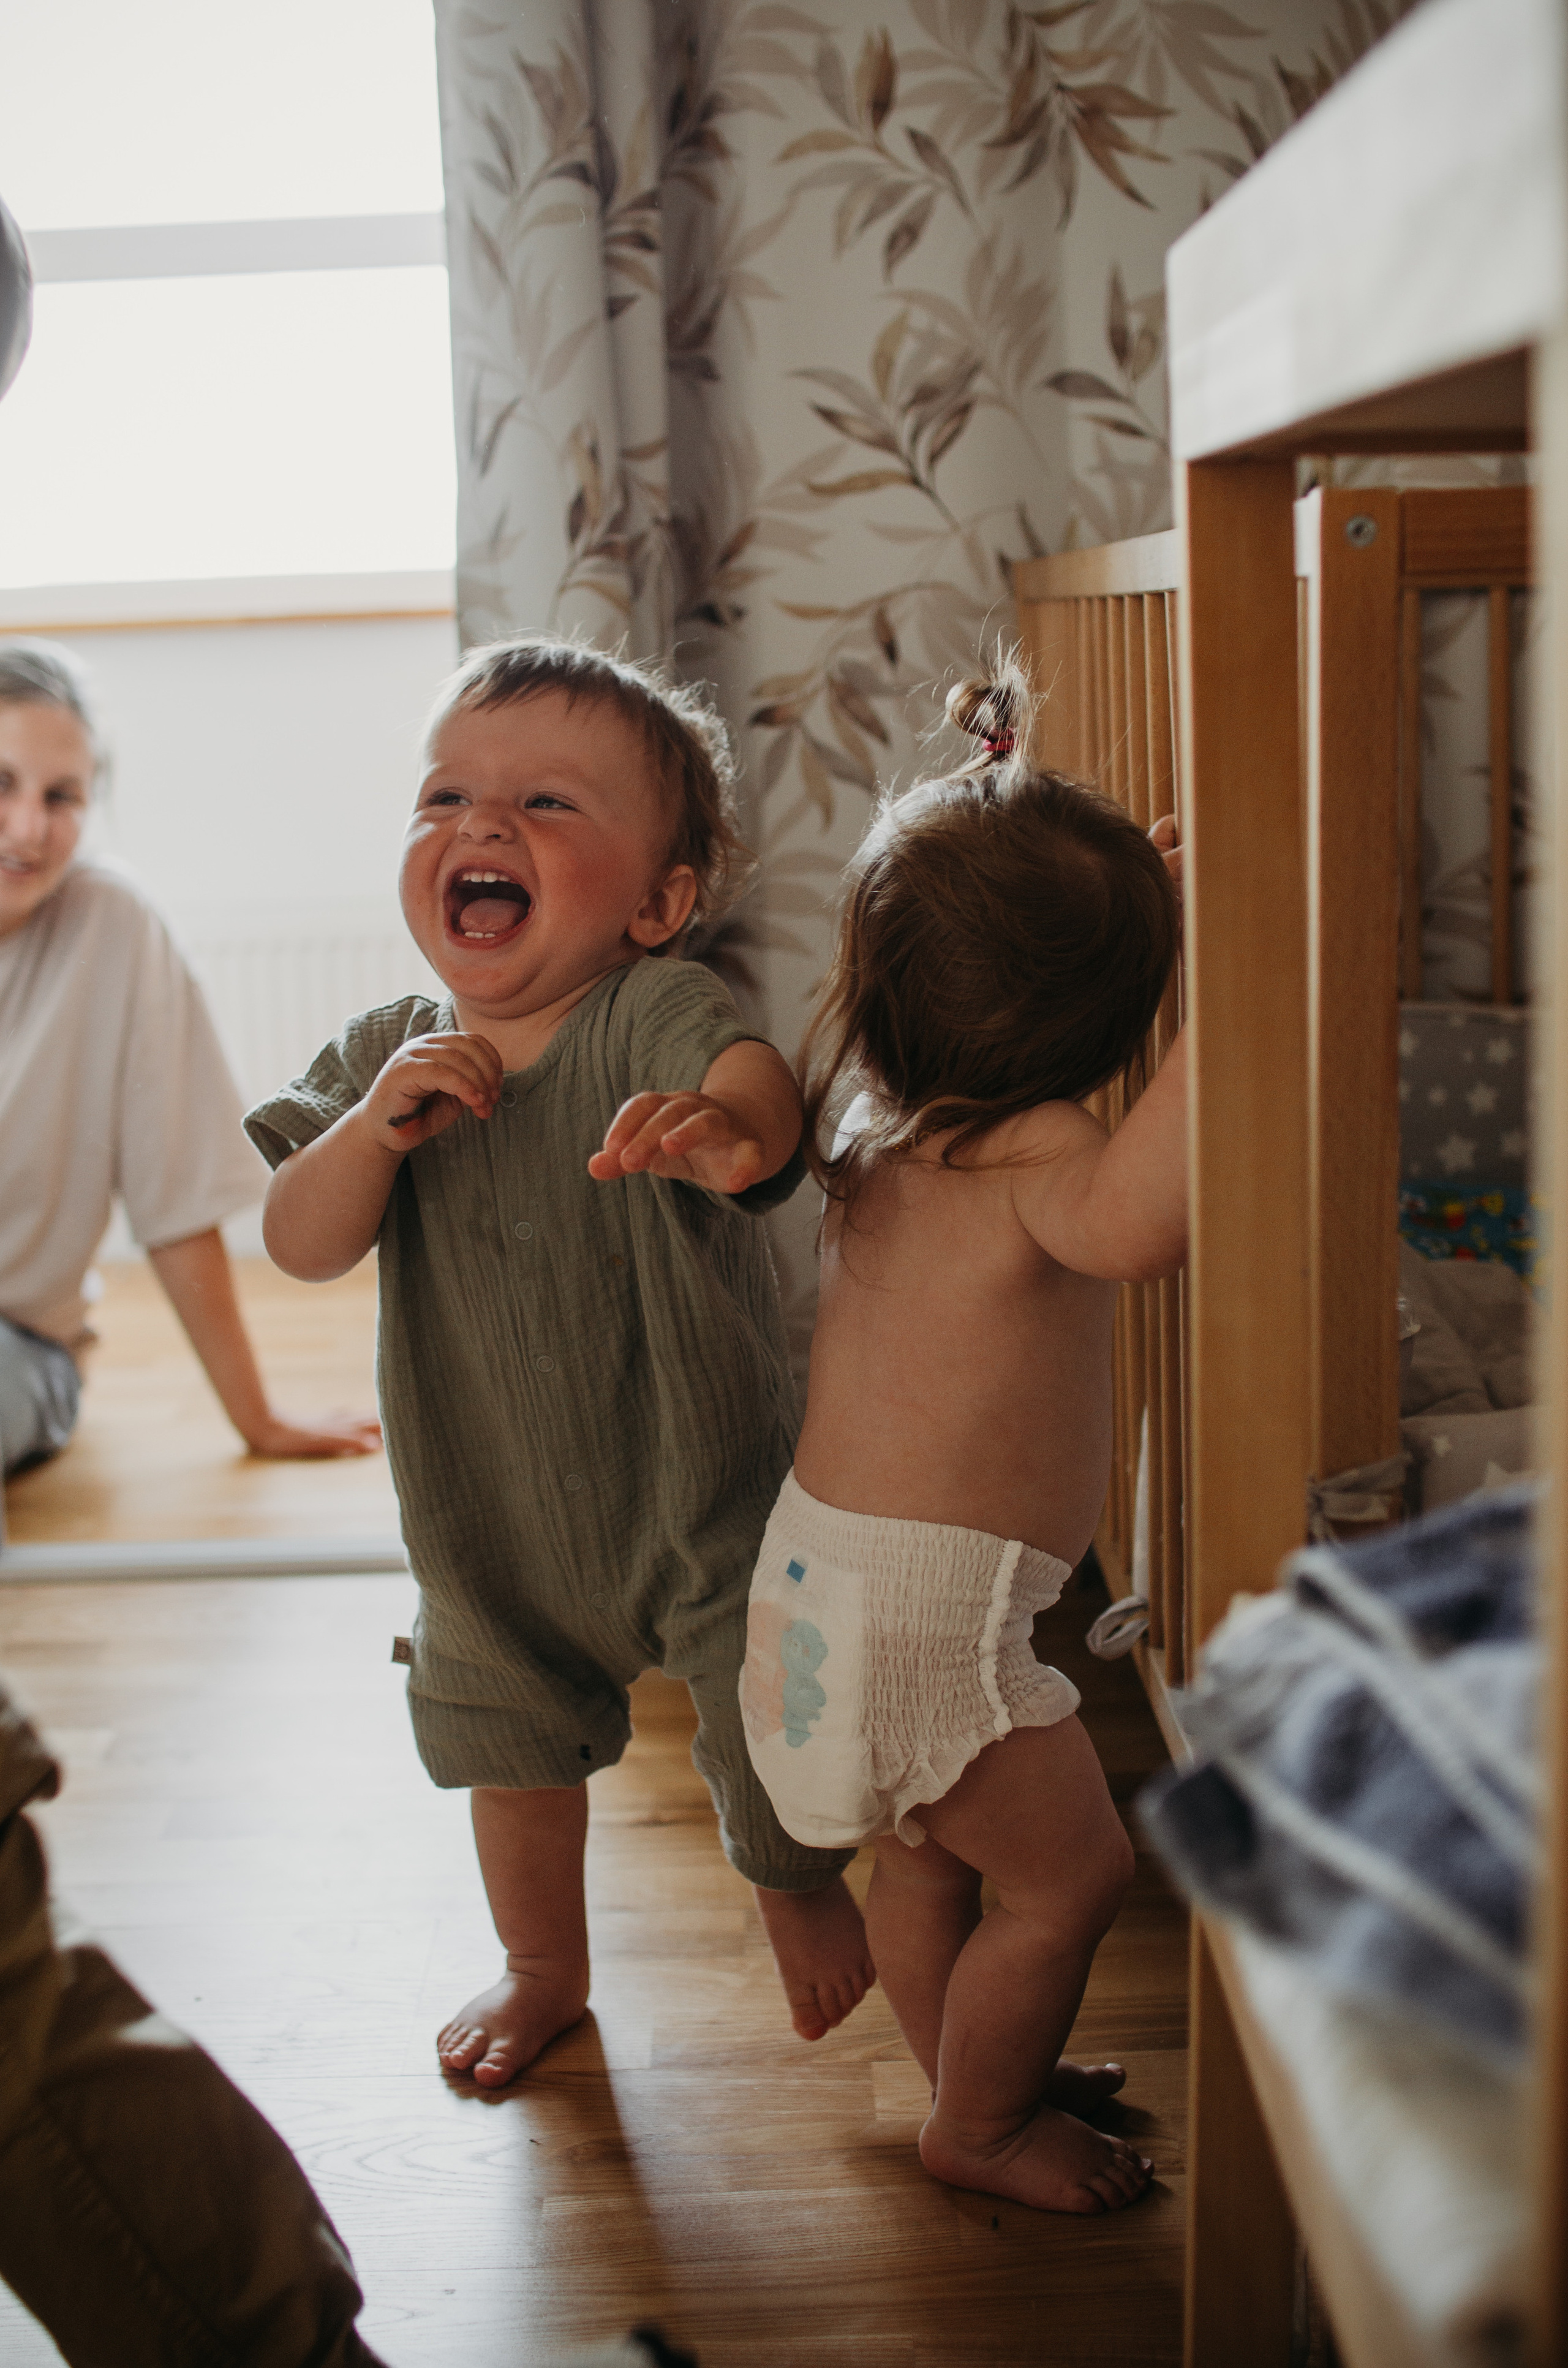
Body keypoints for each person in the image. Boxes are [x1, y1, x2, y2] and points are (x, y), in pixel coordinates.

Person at [246, 637, 874, 2088]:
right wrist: (368, 1132)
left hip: (693, 1482)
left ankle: (791, 1882)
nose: (479, 826)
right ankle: (542, 1968)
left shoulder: (643, 1013)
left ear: (655, 903)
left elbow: (754, 1086)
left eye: (544, 804)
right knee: (503, 1740)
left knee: (757, 1701)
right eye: (446, 795)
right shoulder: (385, 1054)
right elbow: (295, 1240)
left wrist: (729, 1133)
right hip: (488, 1516)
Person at [741, 664, 1188, 2215]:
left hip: (813, 1581)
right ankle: (982, 2127)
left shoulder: (878, 1125)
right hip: (934, 1623)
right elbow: (1141, 1223)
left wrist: (1131, 899)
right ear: (1098, 1023)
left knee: (927, 1861)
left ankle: (967, 2079)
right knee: (1077, 1878)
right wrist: (1236, 970)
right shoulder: (1039, 1152)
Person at [0, 640, 380, 1535]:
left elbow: (176, 1200)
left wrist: (260, 1419)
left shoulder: (112, 927)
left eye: (62, 797)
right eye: (2, 781)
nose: (27, 827)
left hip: (19, 1350)